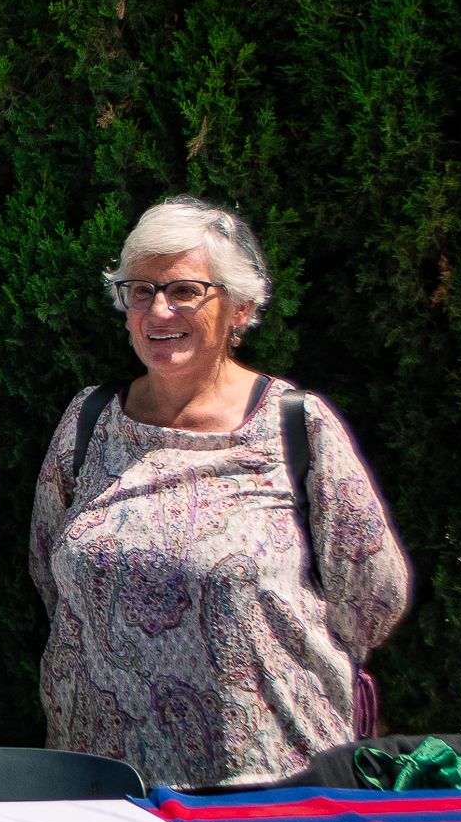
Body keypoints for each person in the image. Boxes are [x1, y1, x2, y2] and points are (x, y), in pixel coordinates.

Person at [27, 196, 410, 788]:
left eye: (184, 290)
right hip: (104, 790)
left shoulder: (296, 427)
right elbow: (50, 573)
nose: (159, 310)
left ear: (240, 307)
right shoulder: (89, 421)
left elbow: (372, 597)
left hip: (266, 784)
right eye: (140, 291)